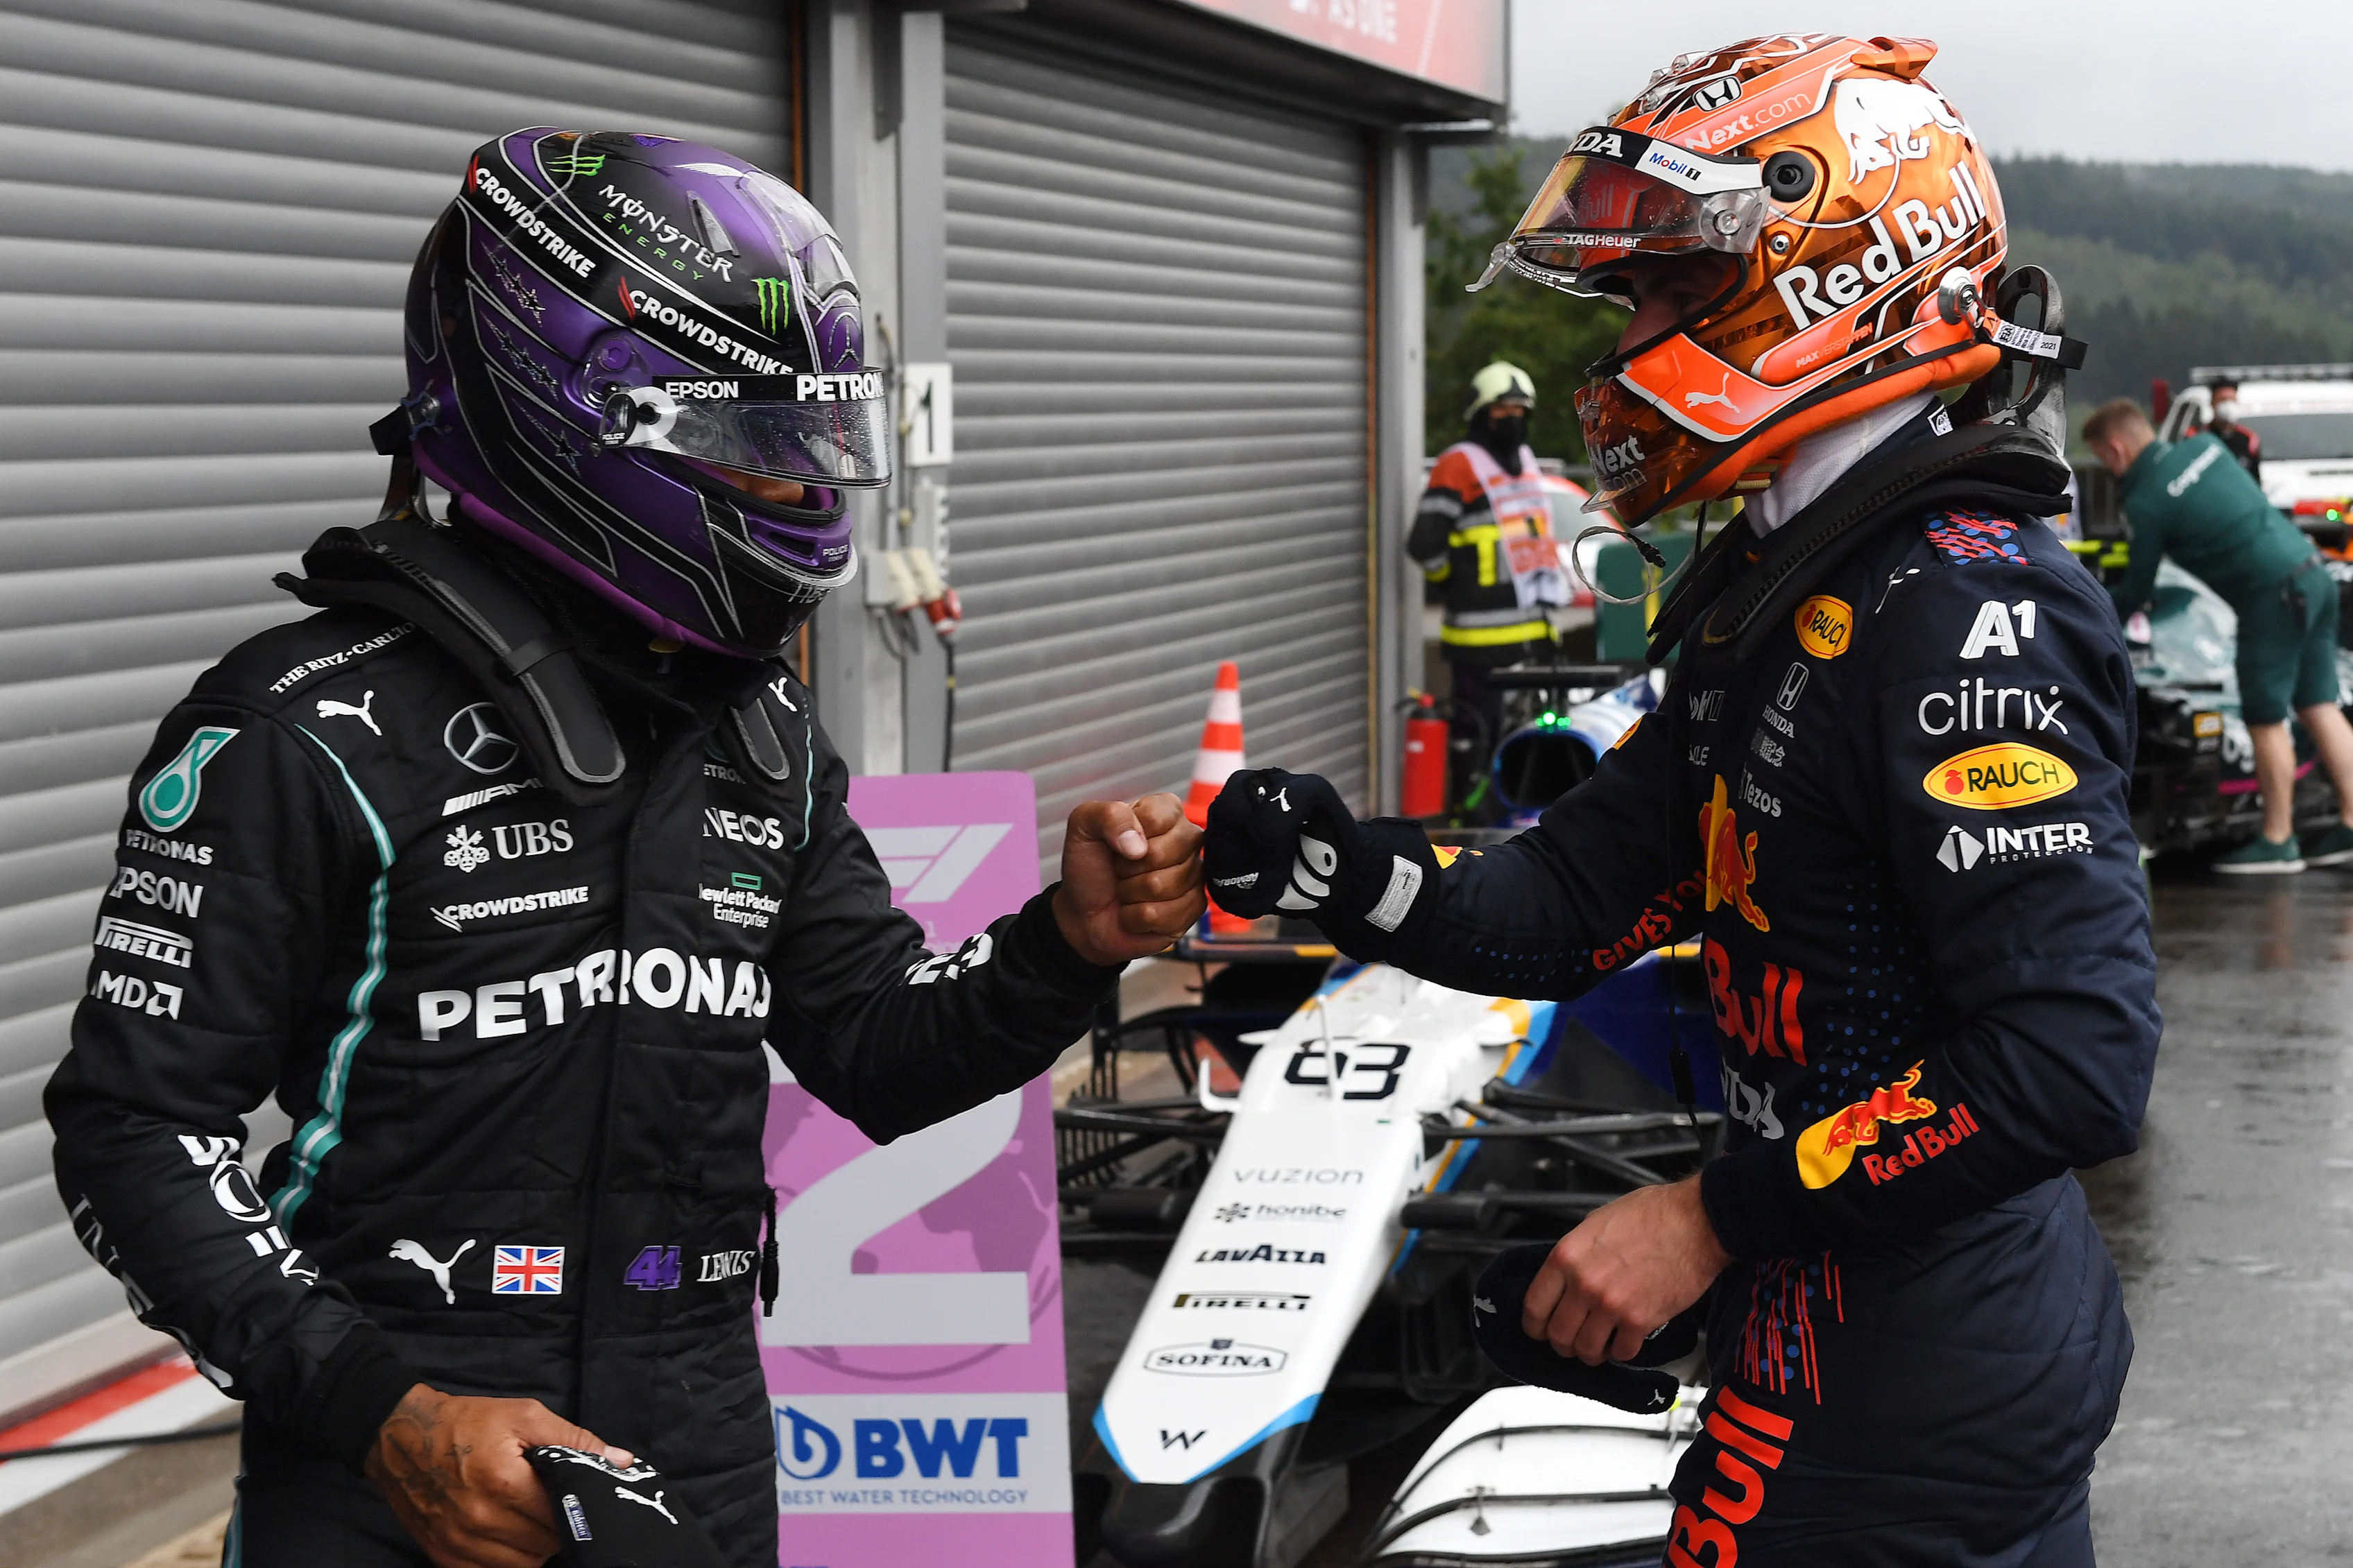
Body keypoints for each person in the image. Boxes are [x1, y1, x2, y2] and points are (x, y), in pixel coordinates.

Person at [44, 128, 1206, 1568]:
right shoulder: (304, 726)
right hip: (391, 1460)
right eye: (756, 443)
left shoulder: (757, 732)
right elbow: (134, 1127)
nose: (800, 491)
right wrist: (381, 1408)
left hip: (694, 1439)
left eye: (813, 443)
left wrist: (1064, 941)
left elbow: (879, 1048)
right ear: (574, 408)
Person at [1206, 35, 2155, 1565]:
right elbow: (1579, 892)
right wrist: (1340, 874)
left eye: (1663, 290)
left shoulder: (1961, 607)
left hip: (1924, 1373)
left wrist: (1707, 1216)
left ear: (1827, 271)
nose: (1627, 335)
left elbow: (2073, 1055)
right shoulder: (1793, 579)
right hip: (1822, 1311)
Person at [2085, 397, 2353, 872]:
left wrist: (2089, 613)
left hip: (2272, 597)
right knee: (2319, 705)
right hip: (2312, 572)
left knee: (2266, 717)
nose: (2109, 468)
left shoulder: (2146, 501)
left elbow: (2137, 588)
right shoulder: (2207, 446)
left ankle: (2278, 839)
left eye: (2105, 460)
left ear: (2116, 450)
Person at [1407, 361, 1568, 809]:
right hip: (1480, 643)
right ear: (1481, 412)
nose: (1513, 416)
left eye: (1520, 408)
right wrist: (1453, 584)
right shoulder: (1459, 464)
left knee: (1532, 745)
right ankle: (1467, 822)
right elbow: (1425, 545)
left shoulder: (1527, 463)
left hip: (1534, 638)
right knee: (1476, 743)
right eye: (1502, 407)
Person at [2204, 379, 2263, 482]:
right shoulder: (2200, 436)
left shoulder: (2248, 439)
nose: (2228, 405)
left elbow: (2255, 479)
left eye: (2232, 400)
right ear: (2213, 403)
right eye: (2223, 400)